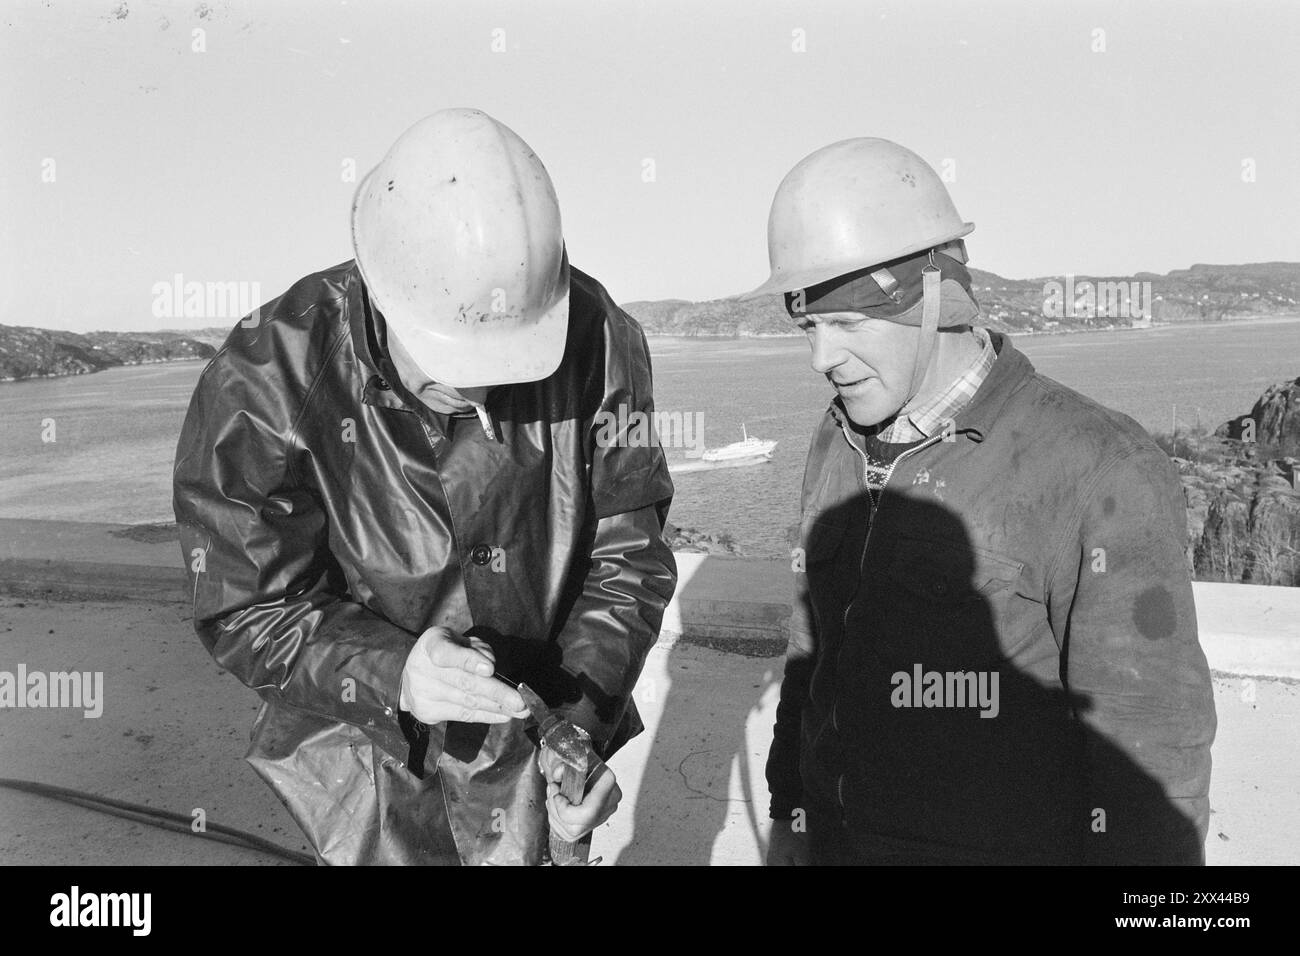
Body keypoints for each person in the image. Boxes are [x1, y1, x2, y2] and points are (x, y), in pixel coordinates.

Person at [173, 108, 677, 865]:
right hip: (369, 764)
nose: (480, 402)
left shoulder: (600, 341)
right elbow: (247, 603)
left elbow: (628, 554)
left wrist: (571, 732)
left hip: (541, 738)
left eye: (507, 374)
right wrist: (391, 672)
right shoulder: (267, 376)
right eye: (452, 373)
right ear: (382, 294)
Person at [750, 138, 1216, 865]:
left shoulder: (1101, 466)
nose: (821, 359)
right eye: (808, 326)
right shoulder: (837, 439)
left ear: (934, 298)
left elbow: (1149, 754)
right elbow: (813, 659)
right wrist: (789, 819)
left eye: (847, 323)